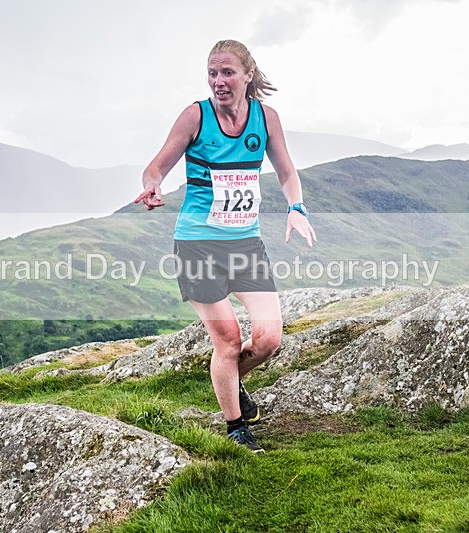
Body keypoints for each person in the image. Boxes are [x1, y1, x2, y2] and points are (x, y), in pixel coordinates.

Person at [135, 39, 316, 453]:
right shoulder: (194, 116)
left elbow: (287, 172)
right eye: (213, 73)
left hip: (245, 243)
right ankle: (236, 426)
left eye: (227, 72)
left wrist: (296, 207)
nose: (219, 81)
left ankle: (228, 380)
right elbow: (156, 165)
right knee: (229, 341)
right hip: (197, 244)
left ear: (248, 75)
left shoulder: (265, 119)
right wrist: (151, 186)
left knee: (269, 338)